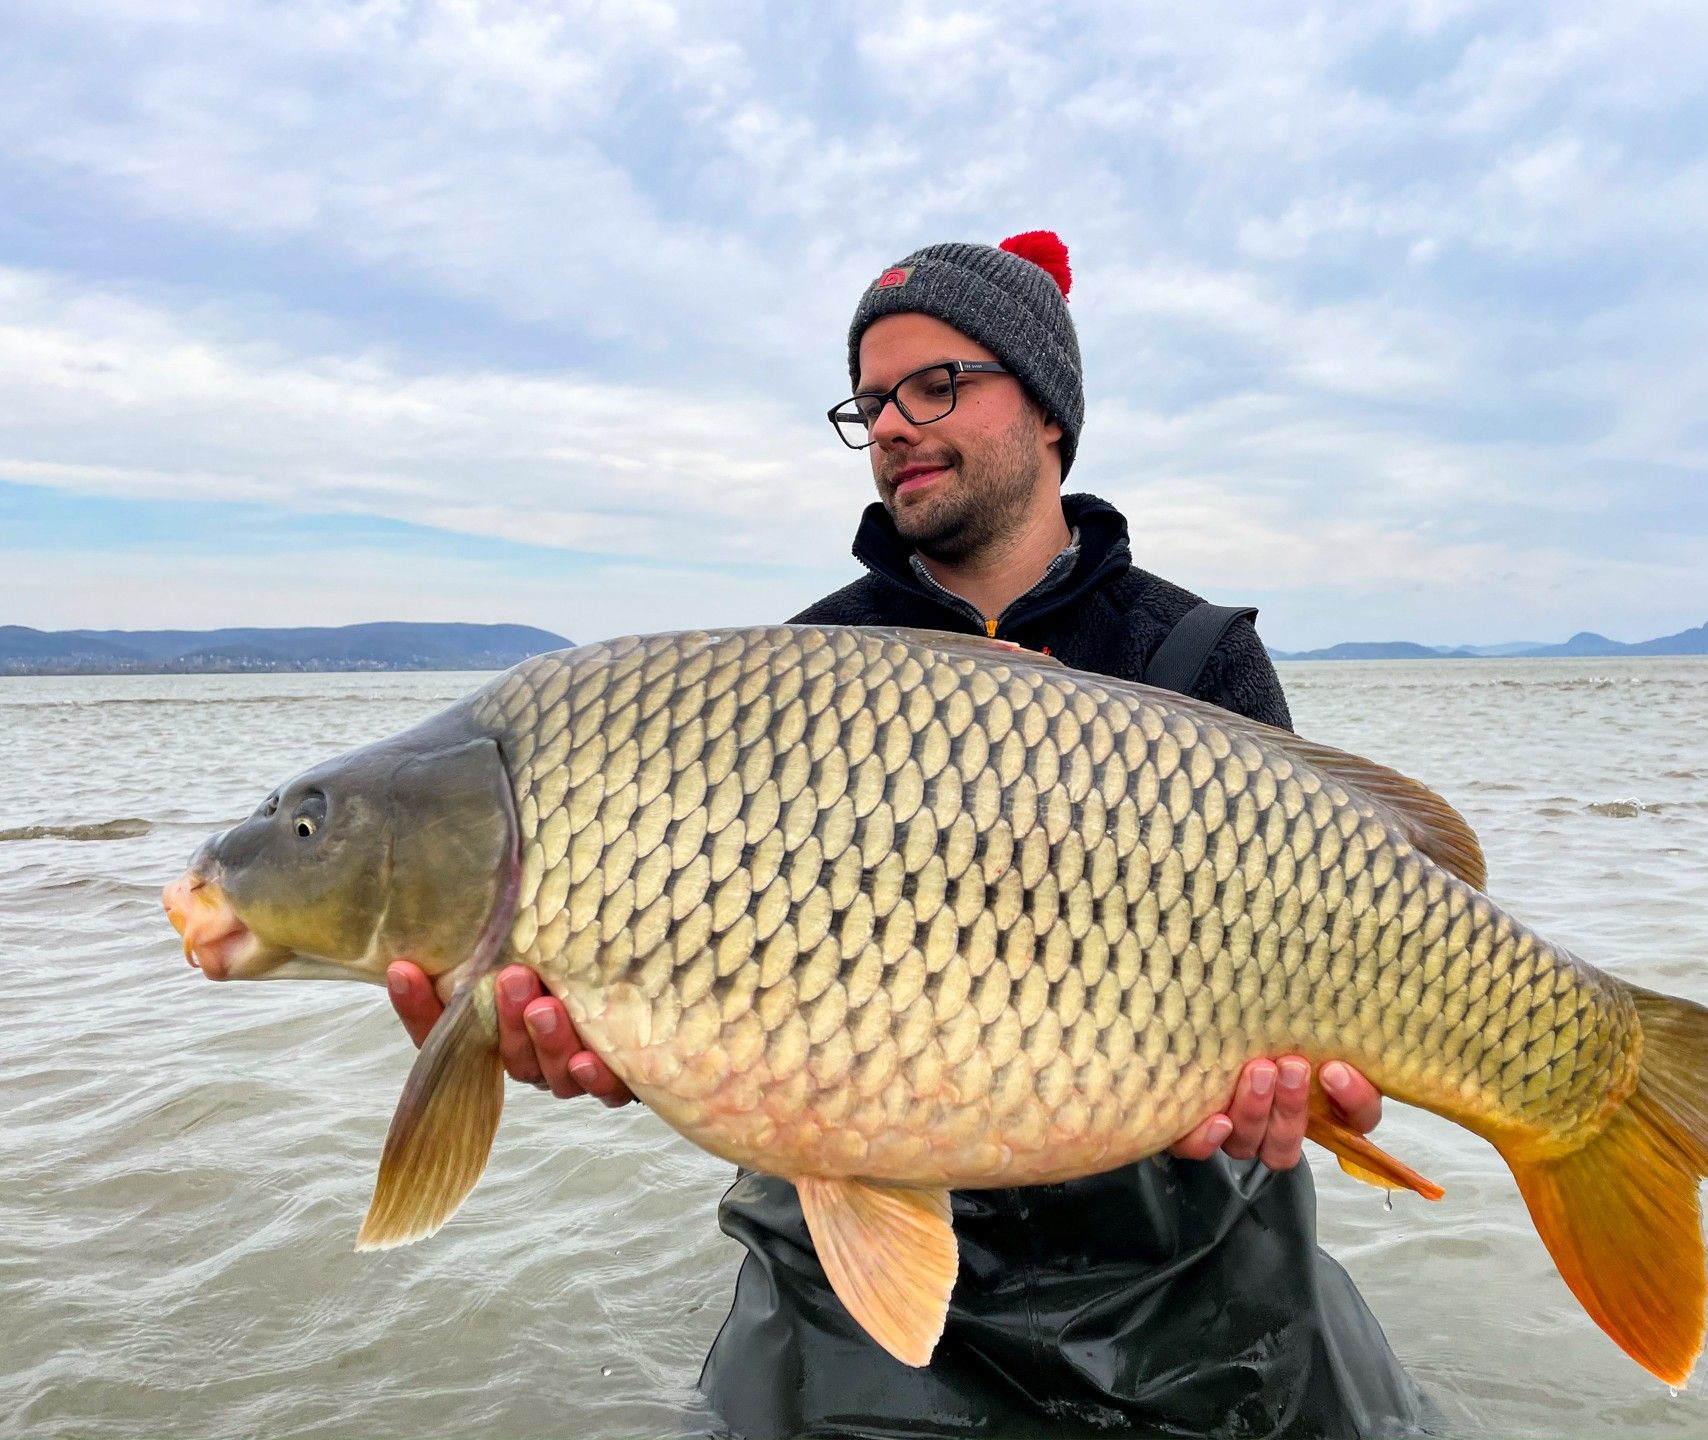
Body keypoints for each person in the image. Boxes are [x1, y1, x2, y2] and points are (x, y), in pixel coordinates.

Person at [387, 232, 1438, 1438]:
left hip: (1171, 1232)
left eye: (936, 384)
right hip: (851, 1193)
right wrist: (620, 1032)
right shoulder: (796, 669)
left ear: (1048, 414)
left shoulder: (1197, 657)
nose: (890, 423)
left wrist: (1316, 1095)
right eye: (871, 400)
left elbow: (1323, 963)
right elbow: (721, 960)